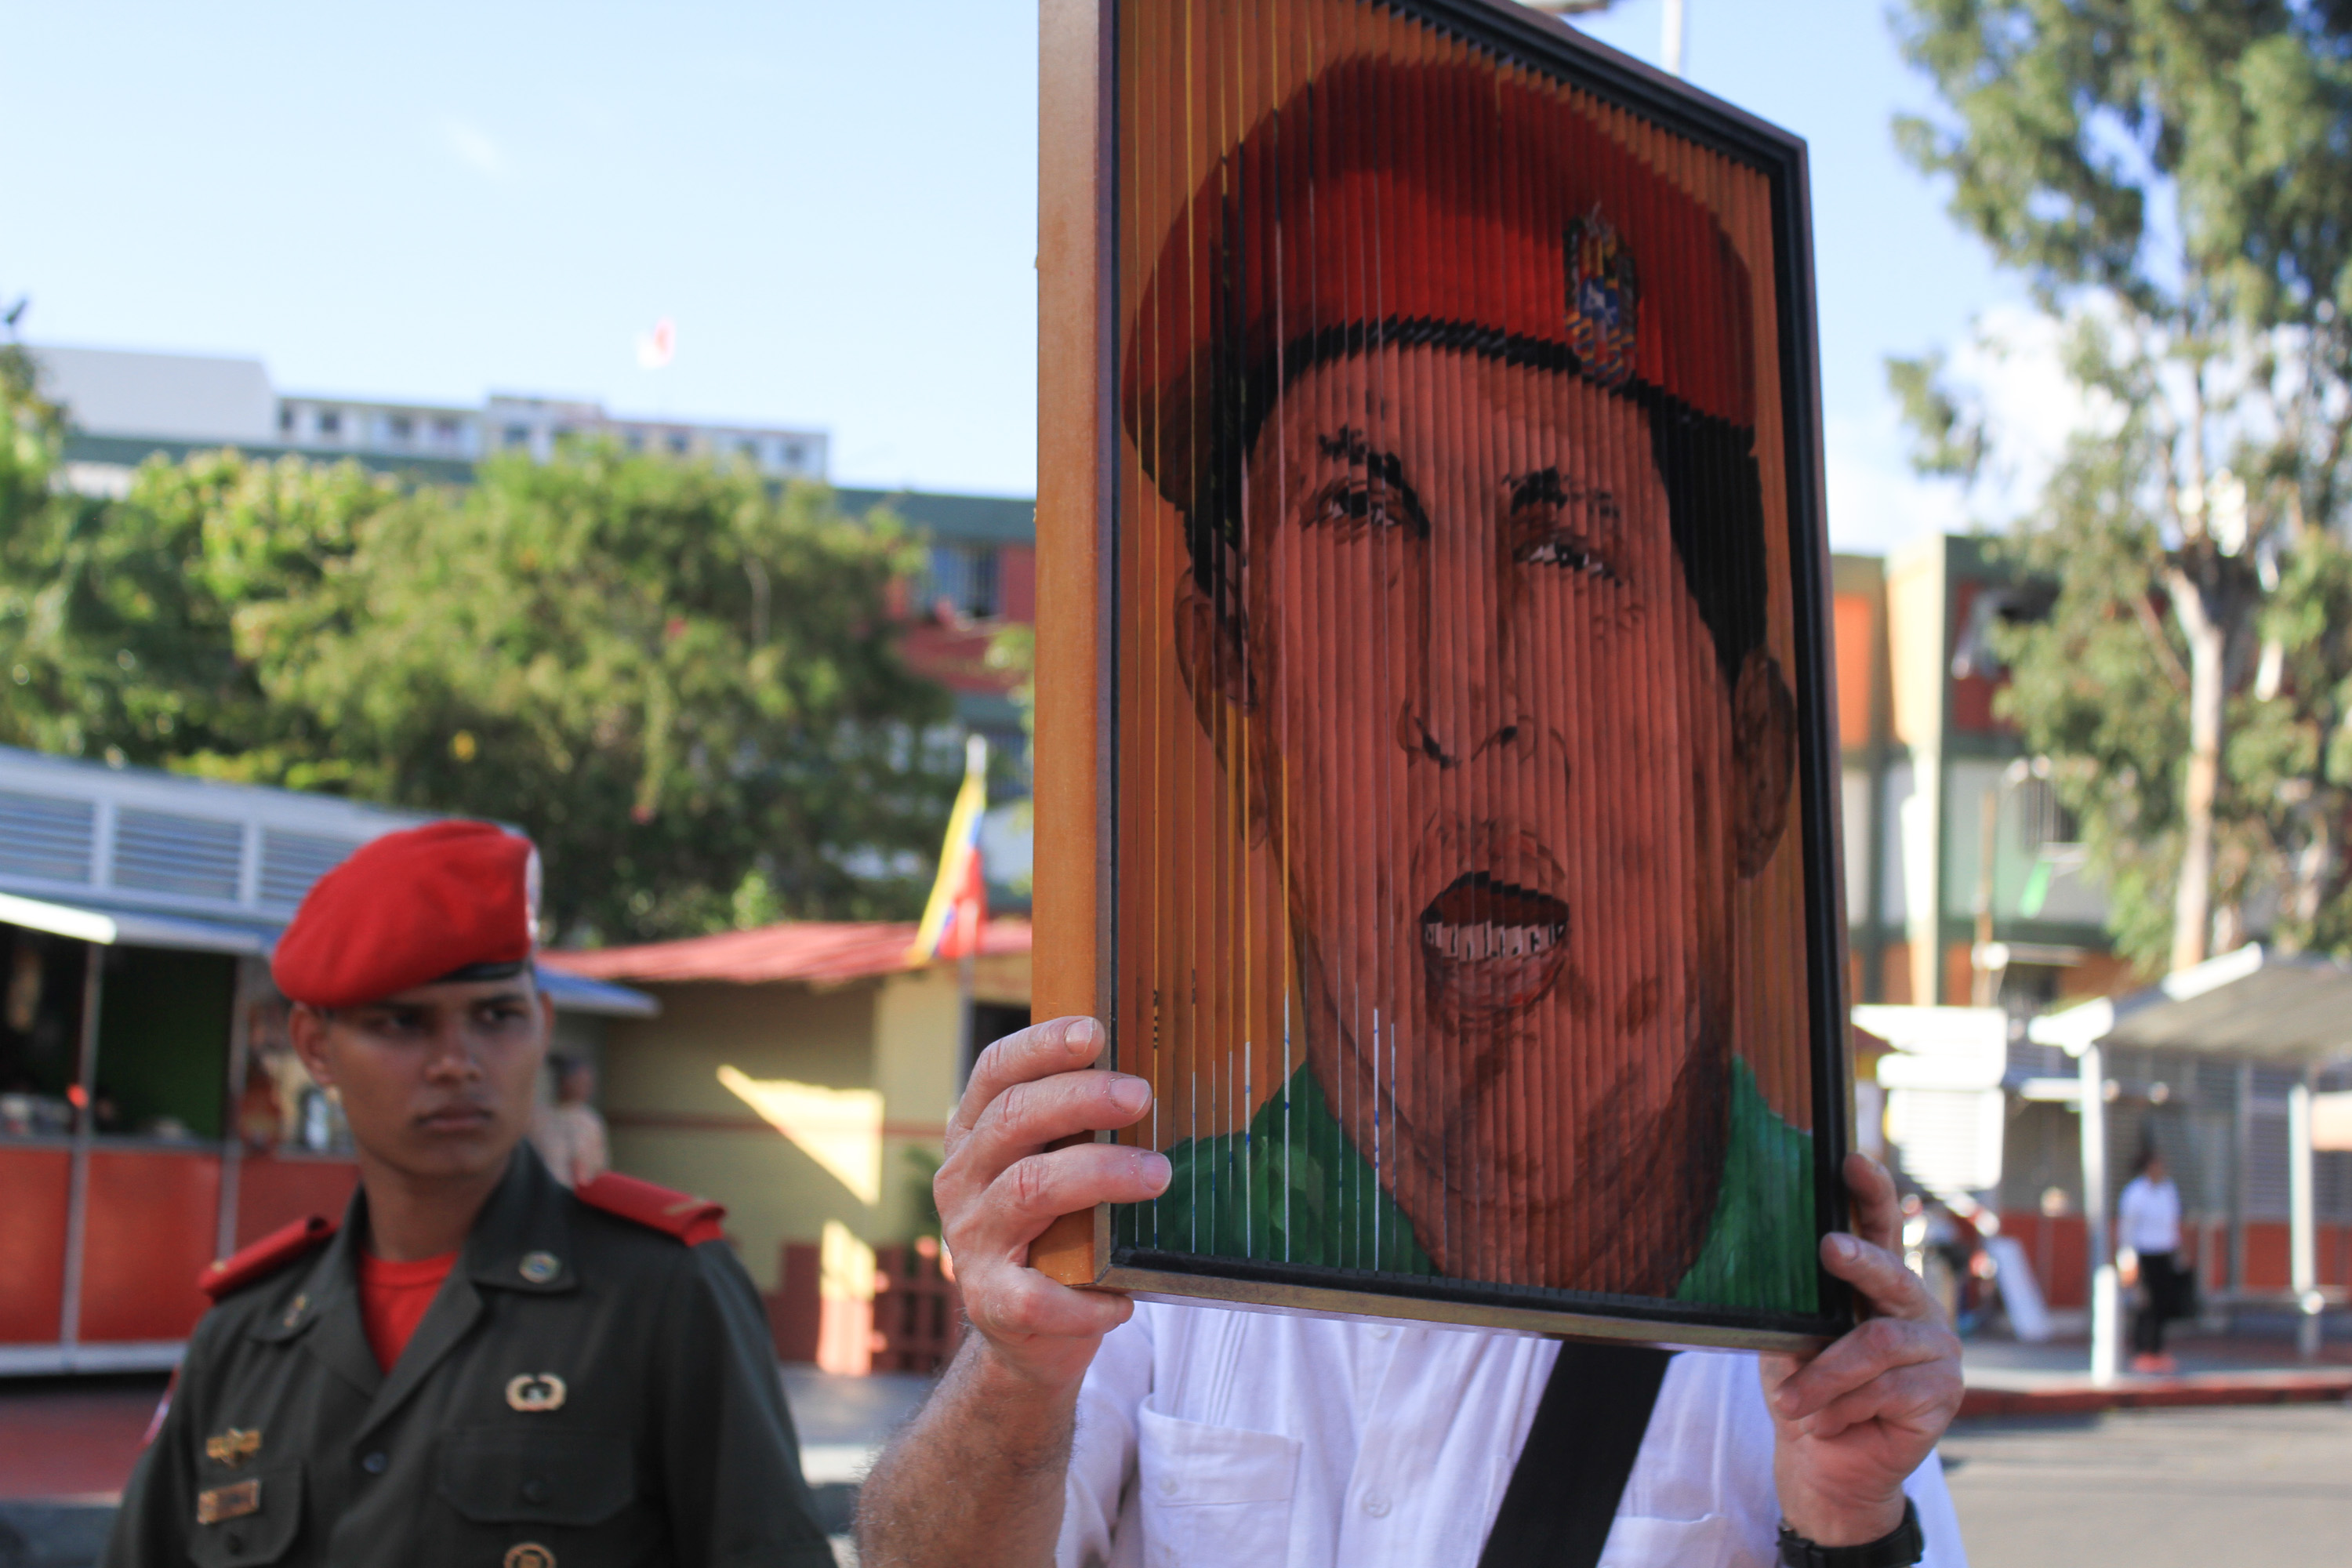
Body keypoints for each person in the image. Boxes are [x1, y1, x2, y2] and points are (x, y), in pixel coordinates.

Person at [858, 56, 1965, 1568]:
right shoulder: (1162, 1236)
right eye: (1363, 519)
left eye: (1567, 551)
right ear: (1232, 692)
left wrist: (1846, 1522)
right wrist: (1012, 1365)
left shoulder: (1798, 1342)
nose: (1459, 708)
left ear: (1753, 760)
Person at [105, 820, 835, 1568]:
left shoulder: (664, 1295)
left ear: (541, 1026)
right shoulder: (244, 1337)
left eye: (496, 1017)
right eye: (402, 1023)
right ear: (316, 1048)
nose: (457, 1063)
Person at [2118, 1147, 2186, 1374]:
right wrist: (2127, 1259)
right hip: (2144, 1253)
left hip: (2164, 1252)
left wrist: (2179, 1251)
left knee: (2163, 1302)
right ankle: (2141, 1350)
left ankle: (2157, 1349)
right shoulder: (2135, 1192)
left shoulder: (2168, 1190)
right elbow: (2127, 1228)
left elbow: (2173, 1222)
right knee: (2145, 1303)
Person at [532, 1053, 611, 1189]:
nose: (586, 1087)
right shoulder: (537, 1118)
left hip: (580, 1194)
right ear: (564, 1081)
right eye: (579, 1081)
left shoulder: (591, 1121)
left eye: (587, 1082)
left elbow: (599, 1167)